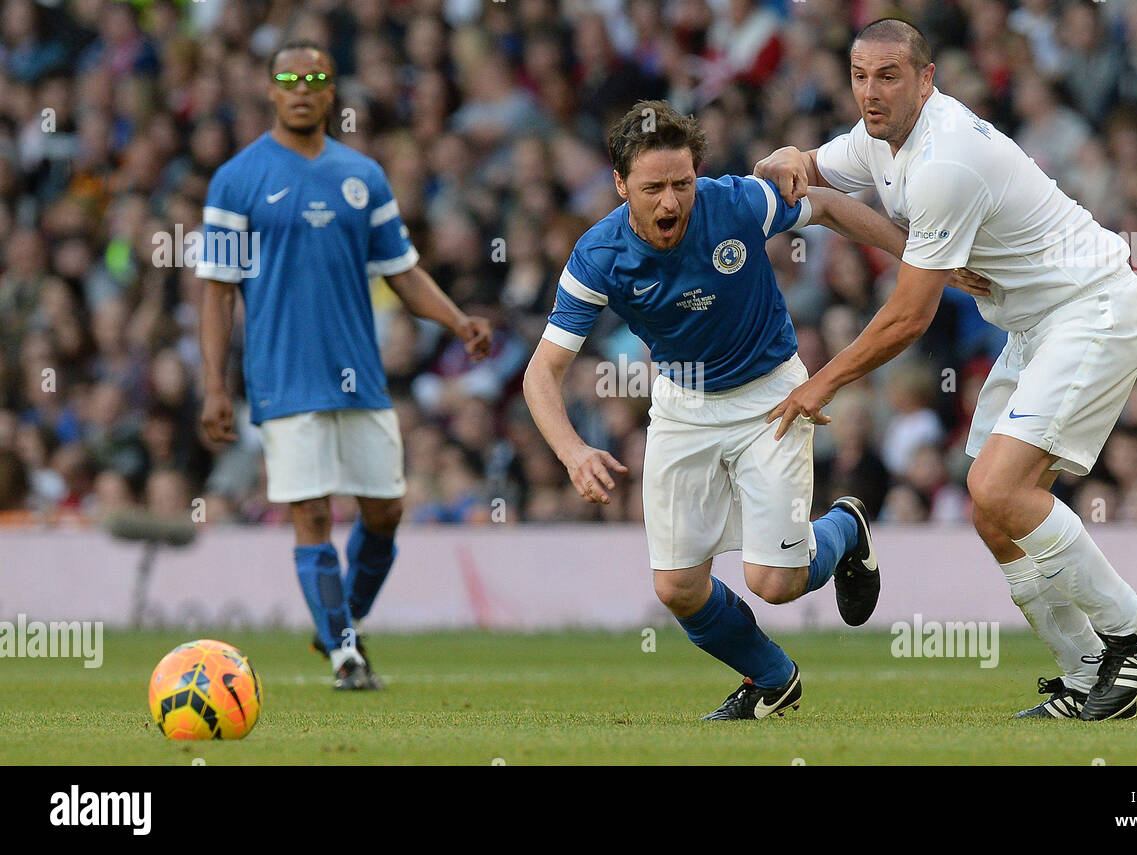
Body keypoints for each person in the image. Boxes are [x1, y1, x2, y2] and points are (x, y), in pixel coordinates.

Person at [756, 19, 1137, 721]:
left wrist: (821, 381)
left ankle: (1136, 631)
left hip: (1091, 308)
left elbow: (910, 315)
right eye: (860, 75)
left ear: (928, 80)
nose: (871, 91)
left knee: (997, 486)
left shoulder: (946, 159)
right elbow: (816, 172)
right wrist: (795, 161)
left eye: (889, 76)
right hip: (1034, 322)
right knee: (992, 510)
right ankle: (1083, 676)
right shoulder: (876, 136)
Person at [523, 100, 905, 720]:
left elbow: (829, 206)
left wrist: (918, 258)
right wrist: (572, 451)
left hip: (770, 399)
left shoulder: (736, 203)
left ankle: (844, 530)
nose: (671, 202)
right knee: (677, 586)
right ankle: (771, 679)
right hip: (681, 407)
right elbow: (542, 372)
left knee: (775, 583)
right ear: (621, 186)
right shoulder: (598, 255)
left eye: (681, 184)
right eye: (653, 189)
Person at [198, 41, 491, 690]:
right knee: (311, 516)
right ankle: (345, 657)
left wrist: (456, 320)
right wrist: (215, 384)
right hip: (283, 376)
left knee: (384, 512)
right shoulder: (236, 179)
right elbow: (216, 288)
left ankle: (338, 625)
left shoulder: (364, 176)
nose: (301, 88)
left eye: (315, 78)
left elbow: (403, 270)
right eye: (288, 78)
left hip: (360, 373)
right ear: (270, 90)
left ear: (332, 93)